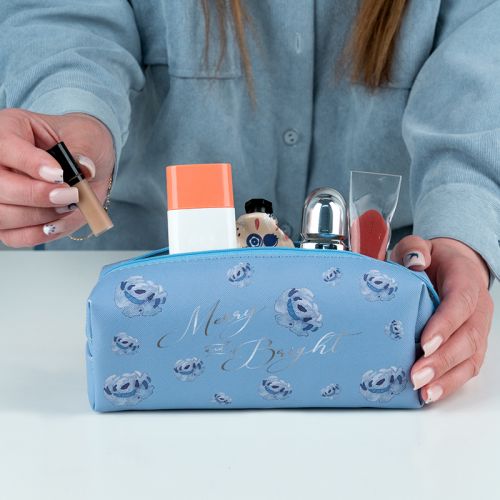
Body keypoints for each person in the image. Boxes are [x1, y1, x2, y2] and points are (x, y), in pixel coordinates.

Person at [0, 0, 498, 404]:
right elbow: (66, 18)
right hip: (94, 284)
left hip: (395, 299)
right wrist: (73, 118)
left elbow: (482, 60)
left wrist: (462, 233)